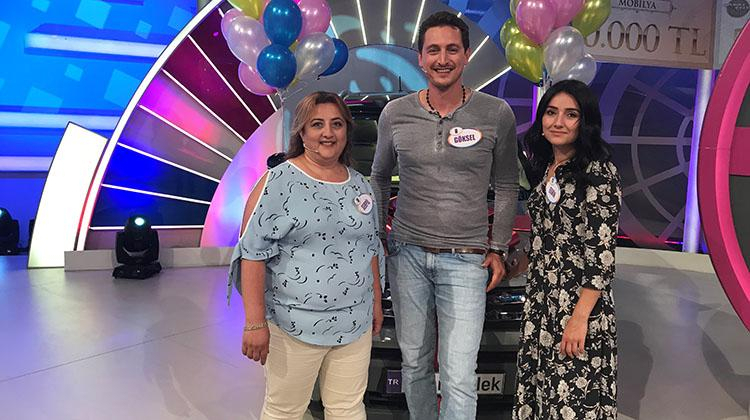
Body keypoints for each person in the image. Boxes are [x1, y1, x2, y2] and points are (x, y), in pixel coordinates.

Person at [370, 11, 518, 419]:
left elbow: (507, 184)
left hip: (467, 260)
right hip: (407, 256)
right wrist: (379, 237)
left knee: (458, 375)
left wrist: (498, 247)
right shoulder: (395, 114)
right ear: (420, 58)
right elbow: (378, 176)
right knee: (415, 364)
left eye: (452, 49)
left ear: (466, 55)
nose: (442, 59)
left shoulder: (496, 113)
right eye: (433, 50)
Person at [228, 91, 385, 420]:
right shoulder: (277, 182)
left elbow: (369, 247)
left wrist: (375, 303)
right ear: (301, 132)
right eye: (317, 124)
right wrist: (254, 324)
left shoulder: (360, 185)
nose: (328, 133)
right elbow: (253, 254)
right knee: (285, 411)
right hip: (293, 326)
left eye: (337, 124)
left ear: (347, 130)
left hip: (354, 325)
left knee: (348, 409)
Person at [513, 80, 621, 420]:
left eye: (570, 114)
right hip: (541, 303)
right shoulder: (547, 167)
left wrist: (579, 318)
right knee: (541, 396)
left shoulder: (598, 172)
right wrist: (518, 261)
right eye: (551, 112)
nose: (558, 122)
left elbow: (602, 254)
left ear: (584, 122)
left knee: (573, 401)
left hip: (576, 304)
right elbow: (549, 235)